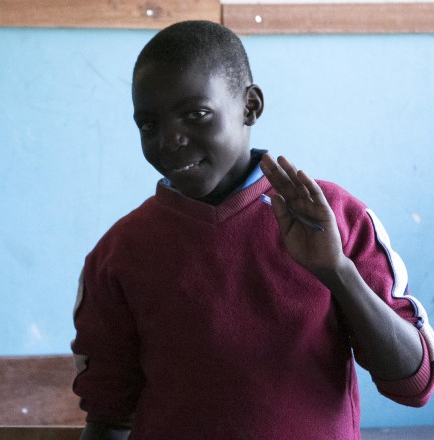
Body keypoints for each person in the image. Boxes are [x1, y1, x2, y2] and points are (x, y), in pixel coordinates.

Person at [71, 20, 434, 440]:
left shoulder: (332, 216)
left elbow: (415, 382)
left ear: (250, 107)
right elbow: (108, 417)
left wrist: (336, 271)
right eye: (149, 125)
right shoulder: (120, 254)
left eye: (196, 114)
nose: (170, 140)